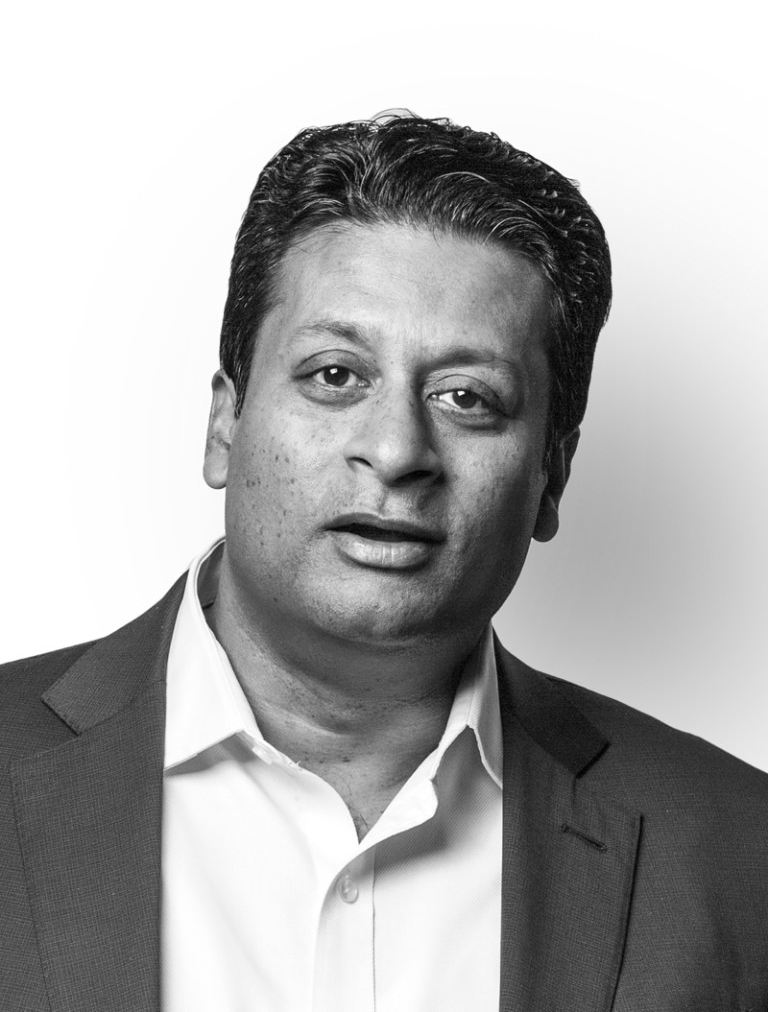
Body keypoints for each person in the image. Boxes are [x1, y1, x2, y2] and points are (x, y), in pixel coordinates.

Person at [1, 112, 767, 1012]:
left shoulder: (736, 850)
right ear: (224, 423)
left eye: (466, 396)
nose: (398, 449)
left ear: (551, 474)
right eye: (335, 375)